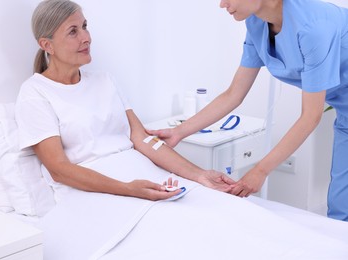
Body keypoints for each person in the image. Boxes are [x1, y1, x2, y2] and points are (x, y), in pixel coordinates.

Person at [14, 0, 235, 203]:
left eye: (85, 26)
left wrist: (199, 175)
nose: (86, 37)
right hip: (95, 192)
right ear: (47, 45)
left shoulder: (105, 81)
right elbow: (59, 169)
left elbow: (142, 139)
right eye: (73, 31)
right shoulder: (36, 93)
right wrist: (128, 189)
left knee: (216, 207)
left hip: (142, 178)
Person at [148, 0, 348, 221]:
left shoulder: (314, 27)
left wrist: (260, 171)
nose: (222, 4)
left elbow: (311, 116)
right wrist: (179, 132)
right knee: (341, 207)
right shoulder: (257, 23)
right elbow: (234, 94)